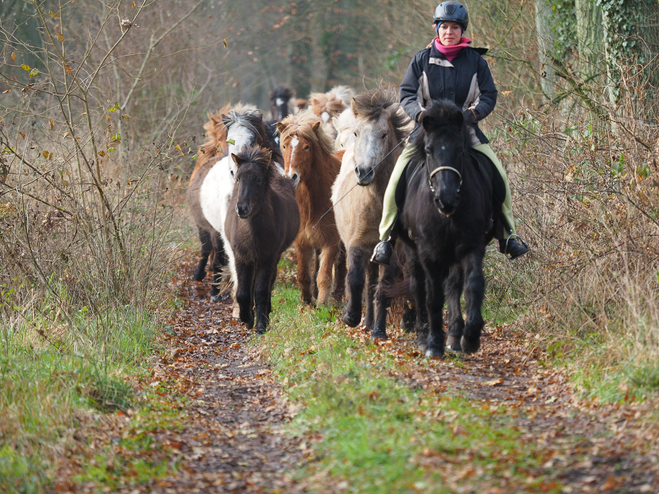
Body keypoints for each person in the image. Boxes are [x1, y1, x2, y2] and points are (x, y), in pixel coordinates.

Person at [371, 1, 529, 264]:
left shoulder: (476, 62)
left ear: (462, 30)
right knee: (396, 179)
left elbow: (488, 95)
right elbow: (407, 94)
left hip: (465, 133)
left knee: (499, 175)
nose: (449, 32)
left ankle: (508, 235)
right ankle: (385, 238)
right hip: (427, 132)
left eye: (455, 27)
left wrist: (471, 115)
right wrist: (420, 115)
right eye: (444, 26)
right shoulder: (421, 60)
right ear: (436, 28)